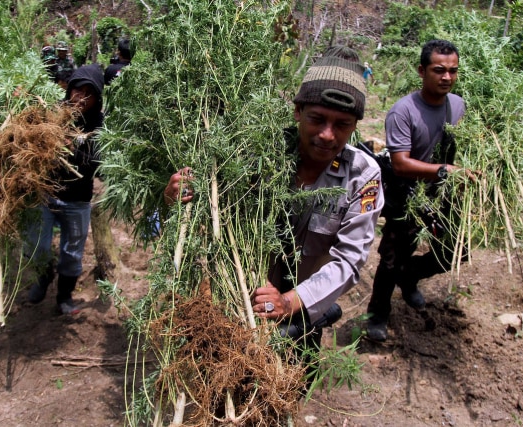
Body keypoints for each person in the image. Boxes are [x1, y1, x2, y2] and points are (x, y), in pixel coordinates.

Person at [165, 46, 383, 356]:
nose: (327, 135)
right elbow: (208, 206)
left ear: (355, 126)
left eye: (342, 125)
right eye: (317, 119)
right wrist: (179, 194)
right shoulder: (257, 151)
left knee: (291, 388)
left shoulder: (364, 176)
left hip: (302, 308)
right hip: (235, 300)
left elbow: (348, 260)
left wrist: (289, 301)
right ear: (297, 112)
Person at [366, 39, 467, 342]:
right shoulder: (403, 112)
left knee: (454, 252)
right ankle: (377, 313)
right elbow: (399, 164)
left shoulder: (459, 106)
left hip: (443, 196)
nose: (446, 77)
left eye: (453, 71)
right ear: (422, 71)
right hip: (406, 196)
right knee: (390, 259)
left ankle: (410, 277)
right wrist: (442, 170)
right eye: (439, 70)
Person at [25, 64, 104, 315]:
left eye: (88, 93)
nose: (81, 98)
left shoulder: (100, 126)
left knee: (72, 253)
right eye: (77, 90)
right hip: (46, 193)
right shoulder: (53, 114)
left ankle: (64, 296)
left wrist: (74, 150)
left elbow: (100, 165)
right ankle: (43, 277)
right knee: (37, 244)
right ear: (69, 90)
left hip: (77, 200)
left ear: (97, 98)